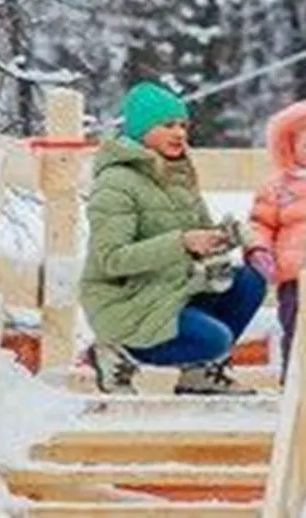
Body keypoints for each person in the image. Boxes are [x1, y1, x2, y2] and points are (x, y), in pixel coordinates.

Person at [81, 81, 265, 395]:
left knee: (249, 281)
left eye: (183, 125)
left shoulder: (178, 176)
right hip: (129, 303)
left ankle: (198, 373)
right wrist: (181, 243)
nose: (180, 133)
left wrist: (228, 236)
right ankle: (117, 351)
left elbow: (200, 236)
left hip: (171, 290)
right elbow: (111, 259)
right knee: (214, 340)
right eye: (168, 125)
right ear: (141, 130)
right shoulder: (115, 183)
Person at [246, 97, 306, 376]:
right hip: (296, 274)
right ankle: (294, 382)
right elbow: (261, 224)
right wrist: (258, 249)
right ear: (292, 148)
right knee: (296, 327)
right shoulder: (278, 186)